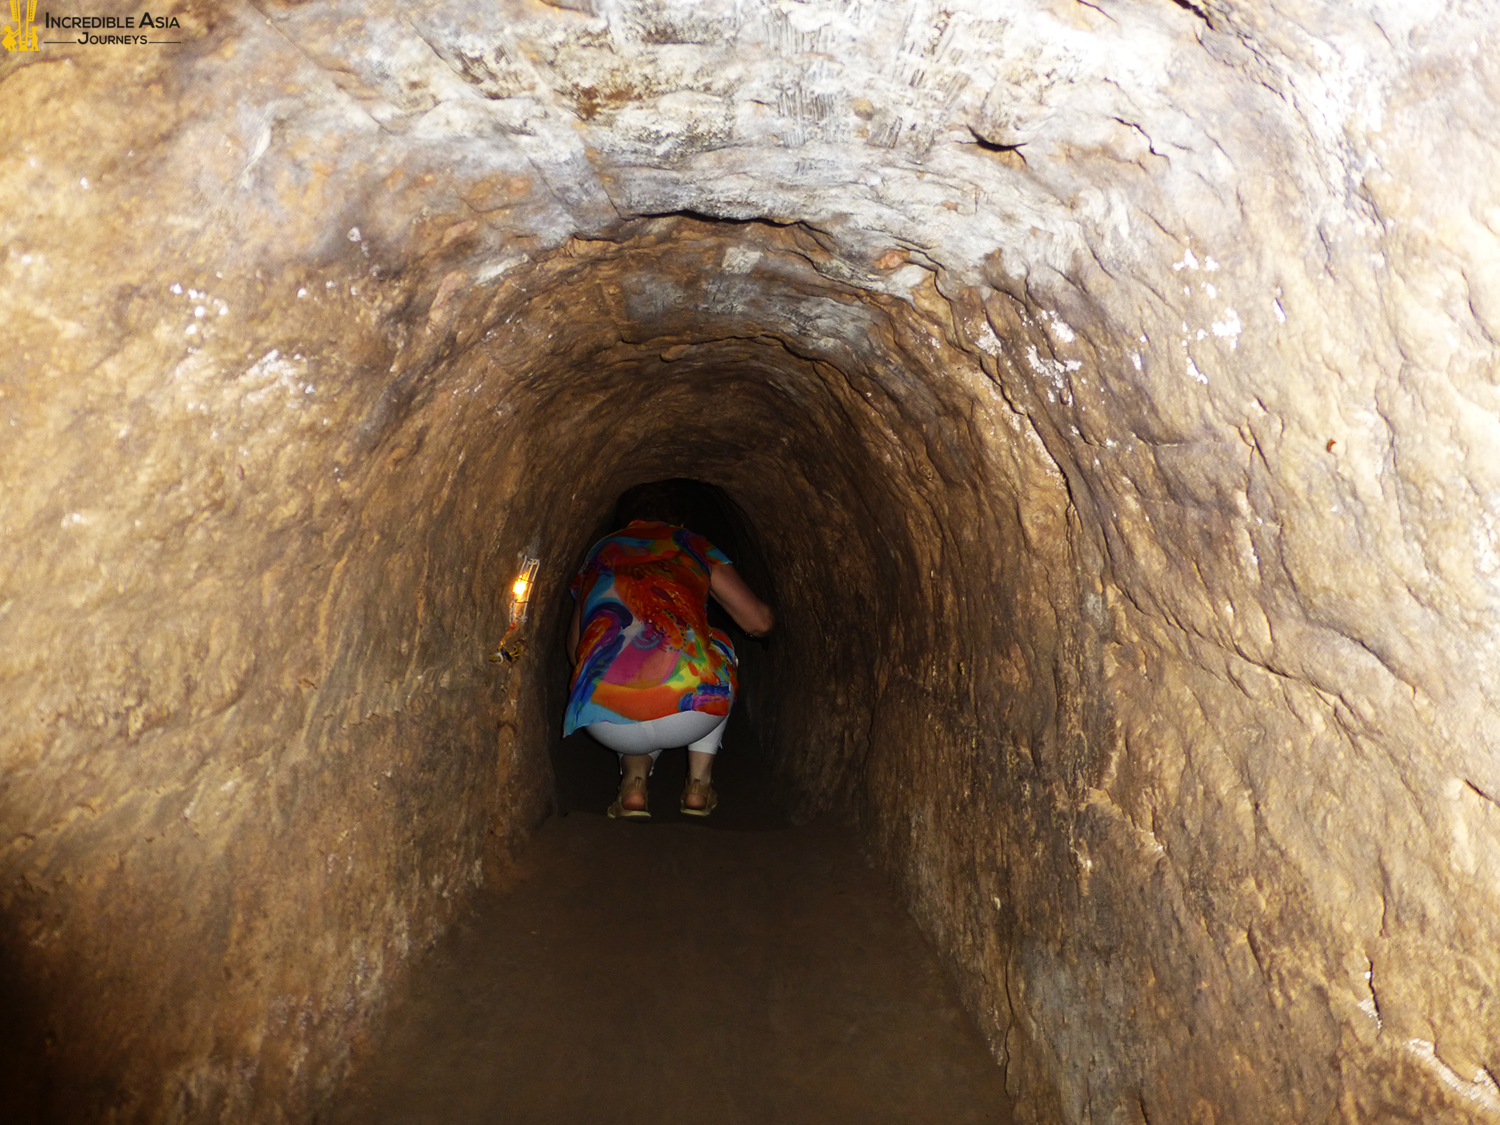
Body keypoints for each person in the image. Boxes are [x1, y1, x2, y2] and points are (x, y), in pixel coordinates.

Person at [564, 484, 774, 820]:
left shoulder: (600, 552)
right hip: (691, 715)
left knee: (619, 666)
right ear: (680, 522)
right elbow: (758, 622)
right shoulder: (692, 545)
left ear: (627, 521)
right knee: (714, 642)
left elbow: (577, 651)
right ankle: (698, 785)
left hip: (603, 720)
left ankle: (633, 785)